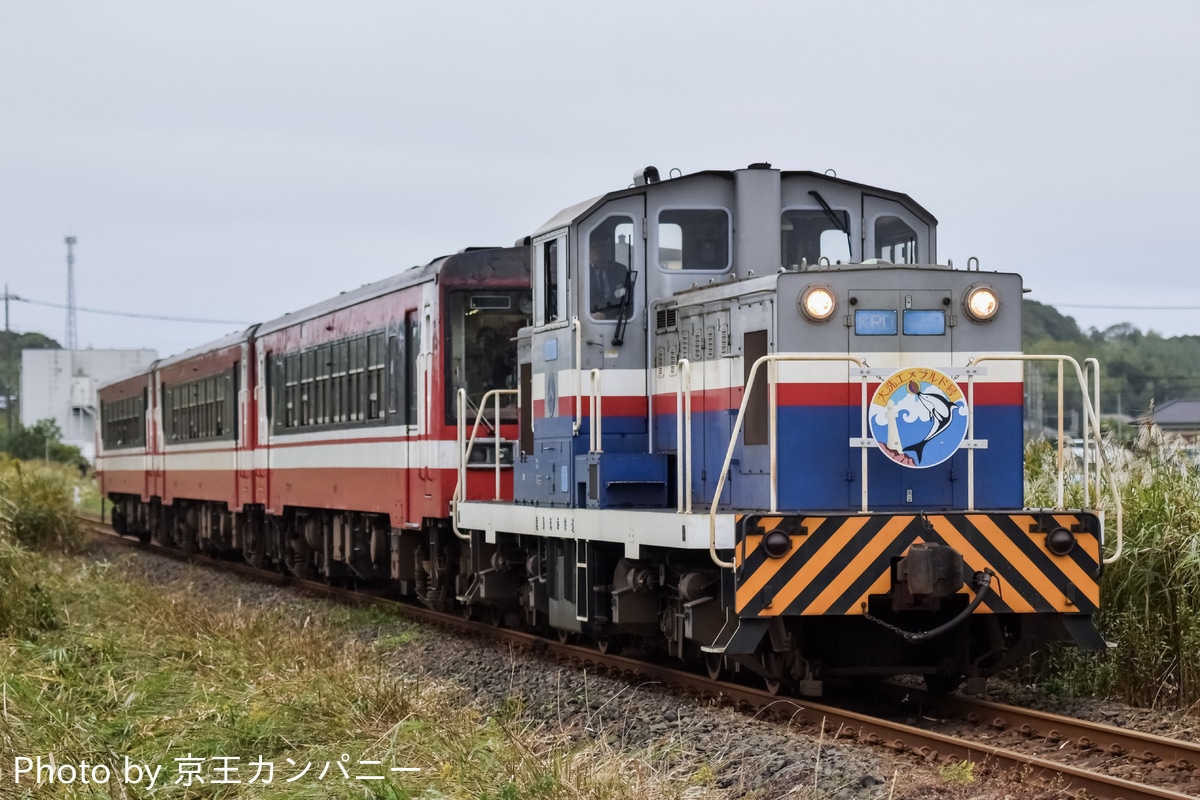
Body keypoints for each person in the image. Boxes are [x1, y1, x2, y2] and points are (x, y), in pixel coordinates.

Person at [589, 237, 629, 320]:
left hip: (618, 321)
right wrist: (590, 315)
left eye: (603, 245)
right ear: (587, 249)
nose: (599, 249)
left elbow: (630, 297)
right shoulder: (581, 272)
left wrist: (626, 314)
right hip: (591, 321)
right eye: (594, 246)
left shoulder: (621, 270)